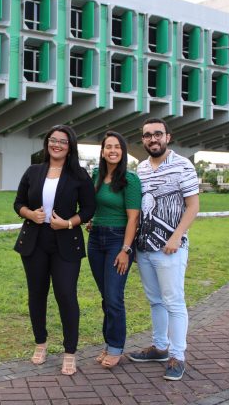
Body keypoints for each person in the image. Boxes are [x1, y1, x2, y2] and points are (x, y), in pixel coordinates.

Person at [13, 124, 95, 376]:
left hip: (65, 242)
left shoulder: (79, 175)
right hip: (35, 240)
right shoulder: (33, 171)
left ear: (70, 146)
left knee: (66, 296)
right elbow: (18, 203)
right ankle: (41, 343)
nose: (57, 144)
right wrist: (30, 214)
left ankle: (70, 351)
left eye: (63, 141)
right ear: (47, 143)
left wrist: (69, 222)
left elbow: (89, 209)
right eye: (52, 140)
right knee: (36, 294)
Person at [127, 118, 199, 381]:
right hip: (144, 247)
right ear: (143, 139)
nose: (152, 139)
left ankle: (177, 356)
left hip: (170, 248)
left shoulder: (183, 165)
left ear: (168, 137)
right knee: (155, 300)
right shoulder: (141, 168)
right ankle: (159, 347)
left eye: (158, 134)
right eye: (147, 135)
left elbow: (193, 206)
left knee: (173, 302)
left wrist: (176, 236)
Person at [87, 131, 141, 368]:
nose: (112, 151)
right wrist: (91, 219)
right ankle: (109, 344)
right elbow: (93, 204)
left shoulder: (130, 179)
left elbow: (133, 219)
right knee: (105, 297)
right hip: (96, 239)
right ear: (102, 151)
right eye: (108, 146)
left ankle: (116, 346)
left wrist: (126, 250)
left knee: (114, 297)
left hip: (117, 240)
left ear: (123, 151)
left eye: (117, 147)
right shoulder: (97, 174)